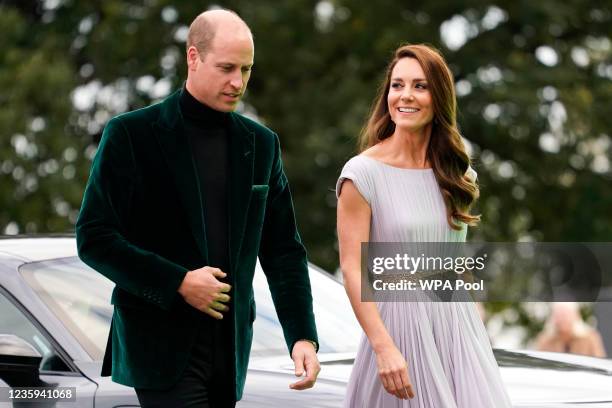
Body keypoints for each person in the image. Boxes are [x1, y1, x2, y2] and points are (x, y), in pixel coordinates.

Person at [76, 9, 319, 408]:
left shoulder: (262, 144)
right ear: (193, 57)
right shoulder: (131, 134)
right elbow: (94, 237)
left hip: (231, 347)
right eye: (226, 68)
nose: (238, 82)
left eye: (246, 69)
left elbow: (283, 251)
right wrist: (178, 282)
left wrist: (302, 336)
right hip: (159, 345)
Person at [336, 44, 512, 407]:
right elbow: (353, 269)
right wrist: (383, 348)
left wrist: (475, 337)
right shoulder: (362, 175)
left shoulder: (459, 176)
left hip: (458, 332)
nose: (405, 96)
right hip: (397, 334)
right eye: (397, 85)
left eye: (420, 86)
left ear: (439, 97)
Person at [536, 302, 606, 357]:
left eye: (566, 314)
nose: (563, 319)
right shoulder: (545, 339)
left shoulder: (591, 338)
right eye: (559, 315)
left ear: (576, 316)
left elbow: (600, 364)